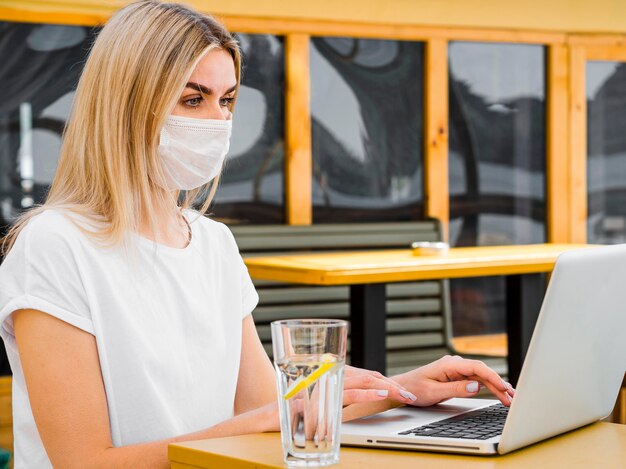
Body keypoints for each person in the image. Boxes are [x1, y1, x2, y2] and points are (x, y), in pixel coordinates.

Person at [0, 1, 515, 467]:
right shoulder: (54, 244)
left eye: (226, 101)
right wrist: (261, 422)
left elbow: (274, 410)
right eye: (191, 98)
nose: (218, 121)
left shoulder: (212, 244)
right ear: (124, 105)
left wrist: (405, 389)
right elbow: (86, 462)